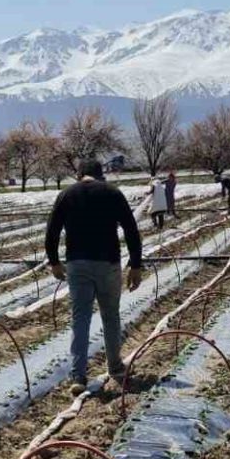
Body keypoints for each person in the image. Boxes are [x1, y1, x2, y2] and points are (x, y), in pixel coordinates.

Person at [45, 160, 144, 392]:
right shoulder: (113, 193)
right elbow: (131, 230)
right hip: (108, 263)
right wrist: (136, 265)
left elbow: (52, 232)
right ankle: (115, 367)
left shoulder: (67, 195)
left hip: (77, 264)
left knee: (80, 318)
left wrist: (54, 262)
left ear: (80, 175)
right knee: (110, 316)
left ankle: (78, 376)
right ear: (101, 175)